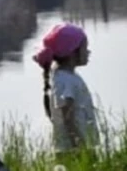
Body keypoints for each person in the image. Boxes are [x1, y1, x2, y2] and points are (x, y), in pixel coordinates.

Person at [32, 22, 98, 154]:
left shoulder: (67, 77)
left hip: (78, 147)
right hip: (72, 150)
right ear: (72, 53)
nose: (88, 52)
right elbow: (67, 115)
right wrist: (79, 144)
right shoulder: (64, 80)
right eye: (85, 48)